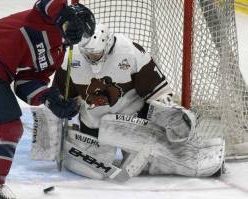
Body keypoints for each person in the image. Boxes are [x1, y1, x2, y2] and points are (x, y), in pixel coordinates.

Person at [0, 0, 95, 198]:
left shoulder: (57, 54)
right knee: (11, 127)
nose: (79, 37)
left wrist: (50, 99)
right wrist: (66, 16)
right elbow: (46, 4)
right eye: (79, 30)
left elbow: (26, 83)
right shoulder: (45, 19)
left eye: (84, 35)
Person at [47, 23, 225, 181]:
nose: (92, 58)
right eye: (88, 54)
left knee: (150, 162)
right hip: (93, 124)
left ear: (107, 44)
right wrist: (62, 109)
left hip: (129, 121)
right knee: (95, 170)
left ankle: (193, 151)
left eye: (96, 53)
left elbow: (158, 90)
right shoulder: (71, 55)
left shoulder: (130, 51)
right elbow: (59, 96)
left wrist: (164, 110)